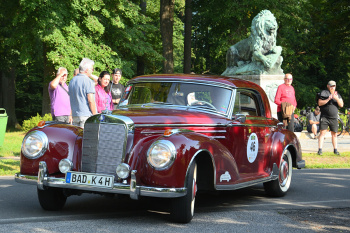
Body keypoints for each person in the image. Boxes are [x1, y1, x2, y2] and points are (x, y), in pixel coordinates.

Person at [69, 58, 97, 128]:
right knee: (86, 137)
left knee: (77, 137)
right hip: (86, 116)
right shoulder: (88, 81)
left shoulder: (72, 81)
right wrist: (95, 115)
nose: (92, 71)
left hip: (75, 115)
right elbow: (90, 100)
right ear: (87, 70)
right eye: (92, 69)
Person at [317, 80, 343, 155]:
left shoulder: (337, 94)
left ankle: (335, 150)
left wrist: (336, 98)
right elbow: (319, 103)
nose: (332, 87)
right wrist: (328, 98)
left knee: (334, 134)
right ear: (328, 86)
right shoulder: (324, 93)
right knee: (322, 133)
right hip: (325, 117)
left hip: (334, 117)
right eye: (331, 86)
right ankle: (320, 150)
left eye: (333, 86)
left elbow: (341, 105)